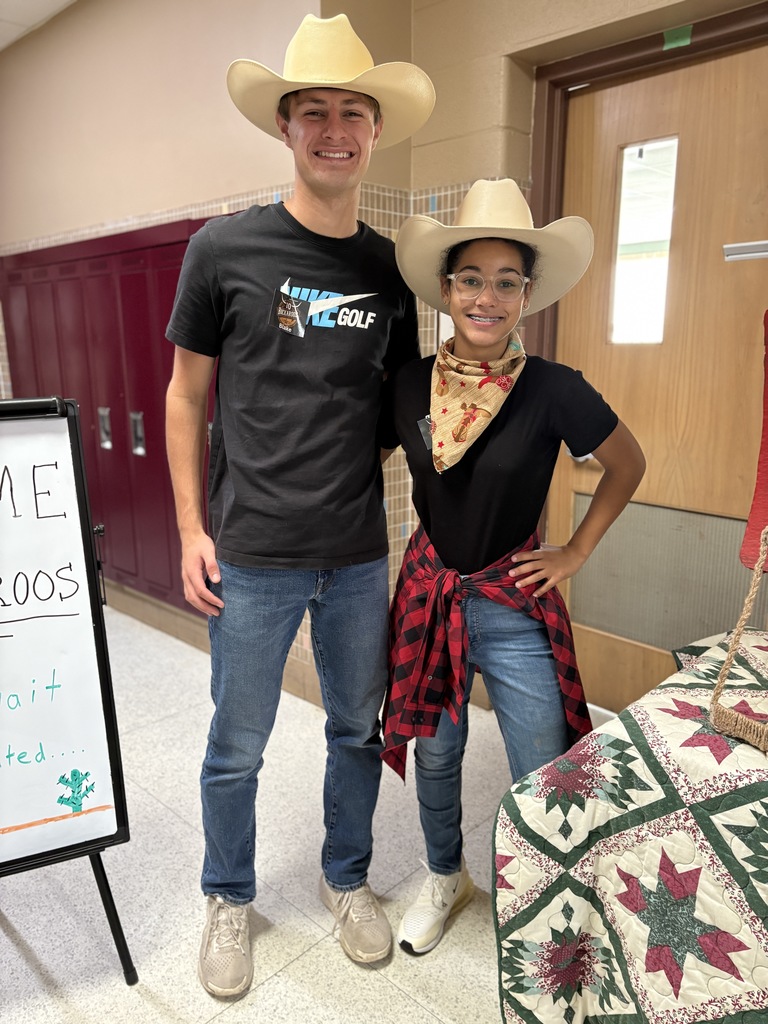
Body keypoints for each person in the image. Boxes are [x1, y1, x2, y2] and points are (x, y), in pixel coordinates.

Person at [164, 14, 434, 998]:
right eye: (314, 110)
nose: (334, 128)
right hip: (253, 552)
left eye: (352, 111)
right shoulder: (221, 249)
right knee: (236, 744)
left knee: (356, 733)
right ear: (286, 127)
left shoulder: (391, 270)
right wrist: (193, 529)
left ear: (373, 129)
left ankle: (346, 877)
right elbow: (186, 395)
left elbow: (407, 410)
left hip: (360, 552)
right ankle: (228, 896)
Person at [378, 178, 646, 955]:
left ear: (526, 293)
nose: (486, 297)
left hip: (512, 604)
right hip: (433, 598)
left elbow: (627, 464)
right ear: (445, 288)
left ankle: (549, 895)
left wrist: (575, 551)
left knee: (545, 764)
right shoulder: (408, 385)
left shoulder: (553, 389)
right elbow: (361, 464)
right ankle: (444, 876)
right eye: (471, 279)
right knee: (438, 750)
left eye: (506, 282)